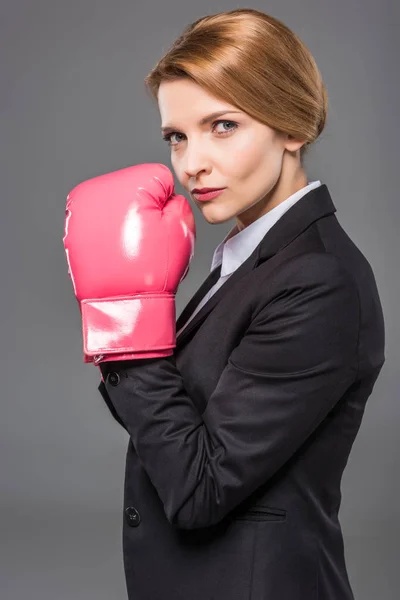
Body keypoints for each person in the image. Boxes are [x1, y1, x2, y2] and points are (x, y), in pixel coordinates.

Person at [63, 8, 386, 599]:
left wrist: (127, 316)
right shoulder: (248, 260)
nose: (191, 164)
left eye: (223, 126)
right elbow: (163, 431)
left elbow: (199, 489)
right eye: (176, 137)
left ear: (291, 126)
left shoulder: (319, 280)